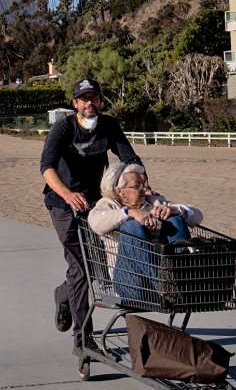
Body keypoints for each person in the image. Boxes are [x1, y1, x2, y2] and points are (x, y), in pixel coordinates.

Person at [40, 77, 142, 363]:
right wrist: (67, 194)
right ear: (75, 104)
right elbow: (46, 167)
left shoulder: (108, 125)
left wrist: (142, 184)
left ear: (100, 100)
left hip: (94, 204)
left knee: (92, 269)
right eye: (84, 99)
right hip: (62, 204)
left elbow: (129, 157)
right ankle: (83, 341)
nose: (89, 103)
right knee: (82, 269)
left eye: (94, 97)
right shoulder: (63, 128)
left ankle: (63, 295)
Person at [88, 162, 202, 305]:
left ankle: (182, 280)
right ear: (119, 191)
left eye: (144, 184)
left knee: (176, 220)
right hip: (130, 281)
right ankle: (164, 286)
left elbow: (198, 216)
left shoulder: (152, 202)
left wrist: (176, 210)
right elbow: (95, 223)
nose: (143, 190)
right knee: (132, 226)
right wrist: (129, 213)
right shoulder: (108, 205)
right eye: (137, 186)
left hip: (164, 277)